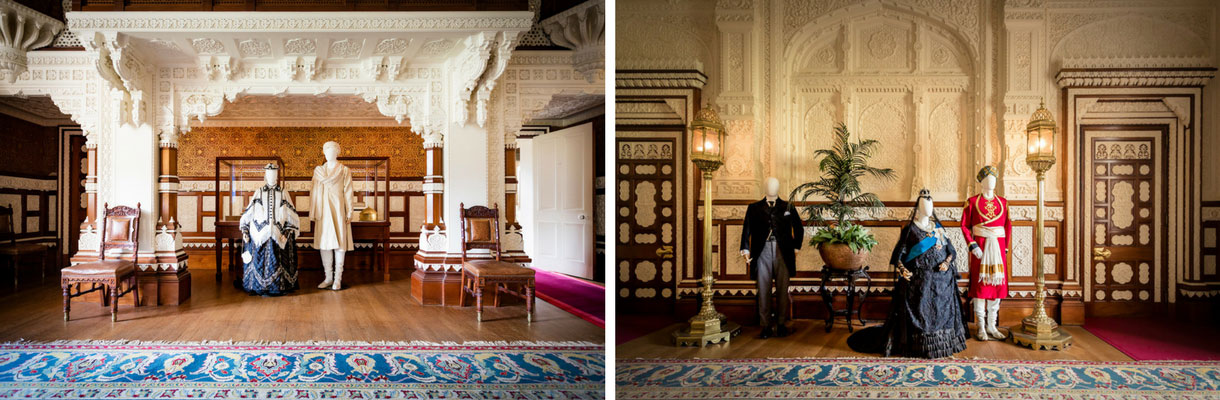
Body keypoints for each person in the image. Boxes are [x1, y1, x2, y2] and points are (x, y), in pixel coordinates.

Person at [847, 189, 967, 358]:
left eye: (931, 205)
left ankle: (942, 344)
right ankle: (919, 345)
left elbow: (951, 251)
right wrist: (903, 270)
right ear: (918, 208)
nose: (929, 208)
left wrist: (947, 263)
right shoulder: (910, 229)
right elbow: (898, 256)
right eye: (925, 205)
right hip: (919, 282)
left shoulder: (938, 228)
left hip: (942, 282)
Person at [740, 177, 804, 339]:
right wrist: (745, 249)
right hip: (762, 252)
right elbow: (746, 229)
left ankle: (781, 324)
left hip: (783, 251)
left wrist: (796, 247)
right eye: (769, 184)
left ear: (779, 187)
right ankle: (766, 326)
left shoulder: (788, 206)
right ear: (764, 186)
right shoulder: (754, 208)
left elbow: (798, 228)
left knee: (783, 289)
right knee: (763, 290)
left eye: (774, 185)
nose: (771, 187)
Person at [962, 166, 1011, 340]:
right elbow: (965, 226)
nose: (991, 182)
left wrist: (1005, 247)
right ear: (981, 182)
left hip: (998, 248)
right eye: (987, 179)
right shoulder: (972, 201)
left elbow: (1007, 226)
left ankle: (992, 325)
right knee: (980, 285)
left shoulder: (1004, 203)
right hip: (980, 249)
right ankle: (980, 326)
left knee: (996, 285)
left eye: (993, 179)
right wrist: (973, 245)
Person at [239, 163, 300, 296]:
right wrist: (245, 231)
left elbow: (291, 216)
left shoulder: (283, 193)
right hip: (260, 233)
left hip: (278, 233)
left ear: (277, 176)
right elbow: (248, 214)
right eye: (269, 174)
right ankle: (258, 286)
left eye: (274, 174)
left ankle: (278, 286)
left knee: (278, 253)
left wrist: (286, 232)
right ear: (266, 175)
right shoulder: (259, 192)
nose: (272, 177)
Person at [311, 141, 354, 290]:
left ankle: (337, 279)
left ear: (337, 153)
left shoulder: (344, 170)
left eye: (332, 150)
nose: (329, 153)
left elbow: (348, 191)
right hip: (323, 211)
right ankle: (328, 277)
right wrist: (314, 211)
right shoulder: (318, 171)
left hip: (338, 210)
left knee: (340, 244)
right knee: (325, 244)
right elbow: (314, 191)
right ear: (324, 153)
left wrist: (350, 211)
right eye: (327, 151)